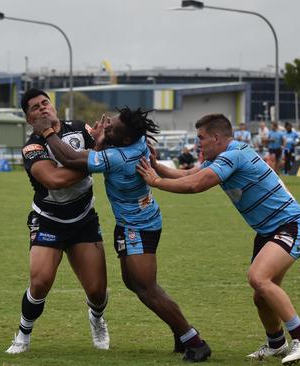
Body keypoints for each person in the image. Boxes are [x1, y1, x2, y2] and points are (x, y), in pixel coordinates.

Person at [31, 106, 212, 362]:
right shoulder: (136, 140)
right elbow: (110, 143)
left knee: (147, 288)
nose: (107, 127)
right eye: (110, 123)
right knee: (134, 283)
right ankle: (181, 334)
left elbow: (71, 159)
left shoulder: (118, 157)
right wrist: (104, 138)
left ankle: (194, 341)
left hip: (139, 227)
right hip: (134, 223)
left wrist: (48, 132)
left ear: (125, 139)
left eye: (113, 128)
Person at [136, 113, 300, 365]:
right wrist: (158, 168)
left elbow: (195, 185)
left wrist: (156, 181)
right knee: (261, 294)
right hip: (269, 231)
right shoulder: (226, 155)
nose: (199, 144)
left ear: (217, 138)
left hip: (292, 225)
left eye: (201, 138)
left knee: (258, 278)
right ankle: (276, 343)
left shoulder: (233, 155)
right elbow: (191, 175)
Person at [6, 88, 109, 354]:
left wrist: (101, 143)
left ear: (53, 106)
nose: (42, 109)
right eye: (35, 108)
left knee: (98, 291)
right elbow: (55, 180)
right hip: (48, 219)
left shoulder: (80, 128)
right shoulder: (32, 147)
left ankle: (96, 318)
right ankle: (23, 333)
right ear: (29, 119)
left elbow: (104, 148)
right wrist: (93, 157)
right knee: (40, 282)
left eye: (45, 103)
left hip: (84, 218)